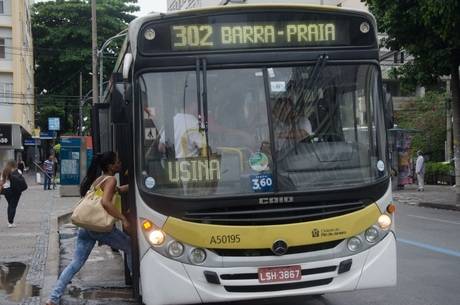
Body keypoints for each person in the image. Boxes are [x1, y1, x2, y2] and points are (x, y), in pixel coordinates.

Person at [45, 151, 131, 305]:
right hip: (101, 228)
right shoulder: (111, 179)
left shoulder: (100, 179)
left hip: (87, 227)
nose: (120, 163)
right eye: (117, 161)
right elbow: (105, 202)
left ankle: (53, 297)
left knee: (75, 263)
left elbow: (114, 192)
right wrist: (122, 218)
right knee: (131, 247)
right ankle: (138, 284)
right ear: (111, 166)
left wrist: (132, 187)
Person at [0, 160, 24, 228]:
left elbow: (2, 181)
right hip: (15, 190)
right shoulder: (17, 171)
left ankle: (10, 221)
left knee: (10, 205)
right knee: (13, 206)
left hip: (6, 190)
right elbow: (20, 180)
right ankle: (10, 222)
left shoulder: (4, 171)